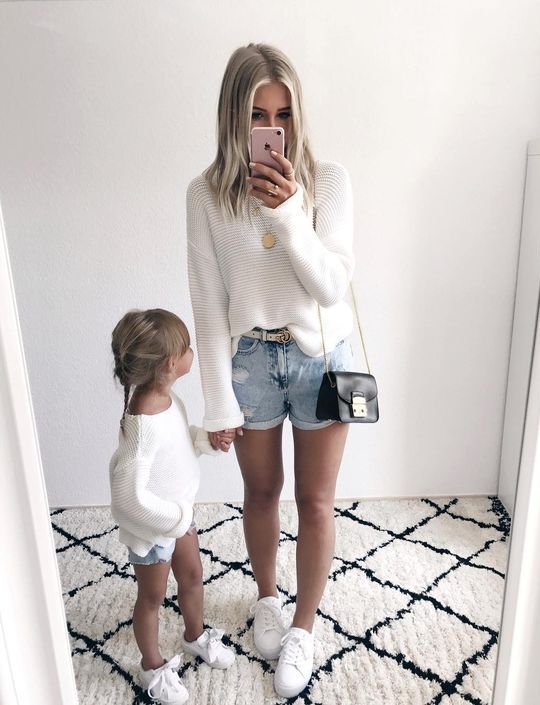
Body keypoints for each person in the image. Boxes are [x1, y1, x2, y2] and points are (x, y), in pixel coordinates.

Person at [186, 43, 355, 698]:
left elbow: (331, 285)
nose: (273, 129)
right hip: (249, 360)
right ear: (236, 117)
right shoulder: (205, 193)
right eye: (259, 113)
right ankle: (266, 598)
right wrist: (216, 401)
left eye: (284, 112)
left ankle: (304, 627)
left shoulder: (329, 179)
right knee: (260, 494)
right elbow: (205, 301)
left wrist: (288, 215)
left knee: (315, 501)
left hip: (320, 357)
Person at [109, 308, 236, 705]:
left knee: (193, 575)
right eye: (187, 348)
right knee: (152, 597)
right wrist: (177, 519)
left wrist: (204, 440)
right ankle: (151, 664)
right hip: (154, 528)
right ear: (169, 364)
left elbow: (178, 443)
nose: (191, 352)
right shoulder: (141, 423)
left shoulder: (168, 399)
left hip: (180, 517)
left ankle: (195, 635)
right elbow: (128, 497)